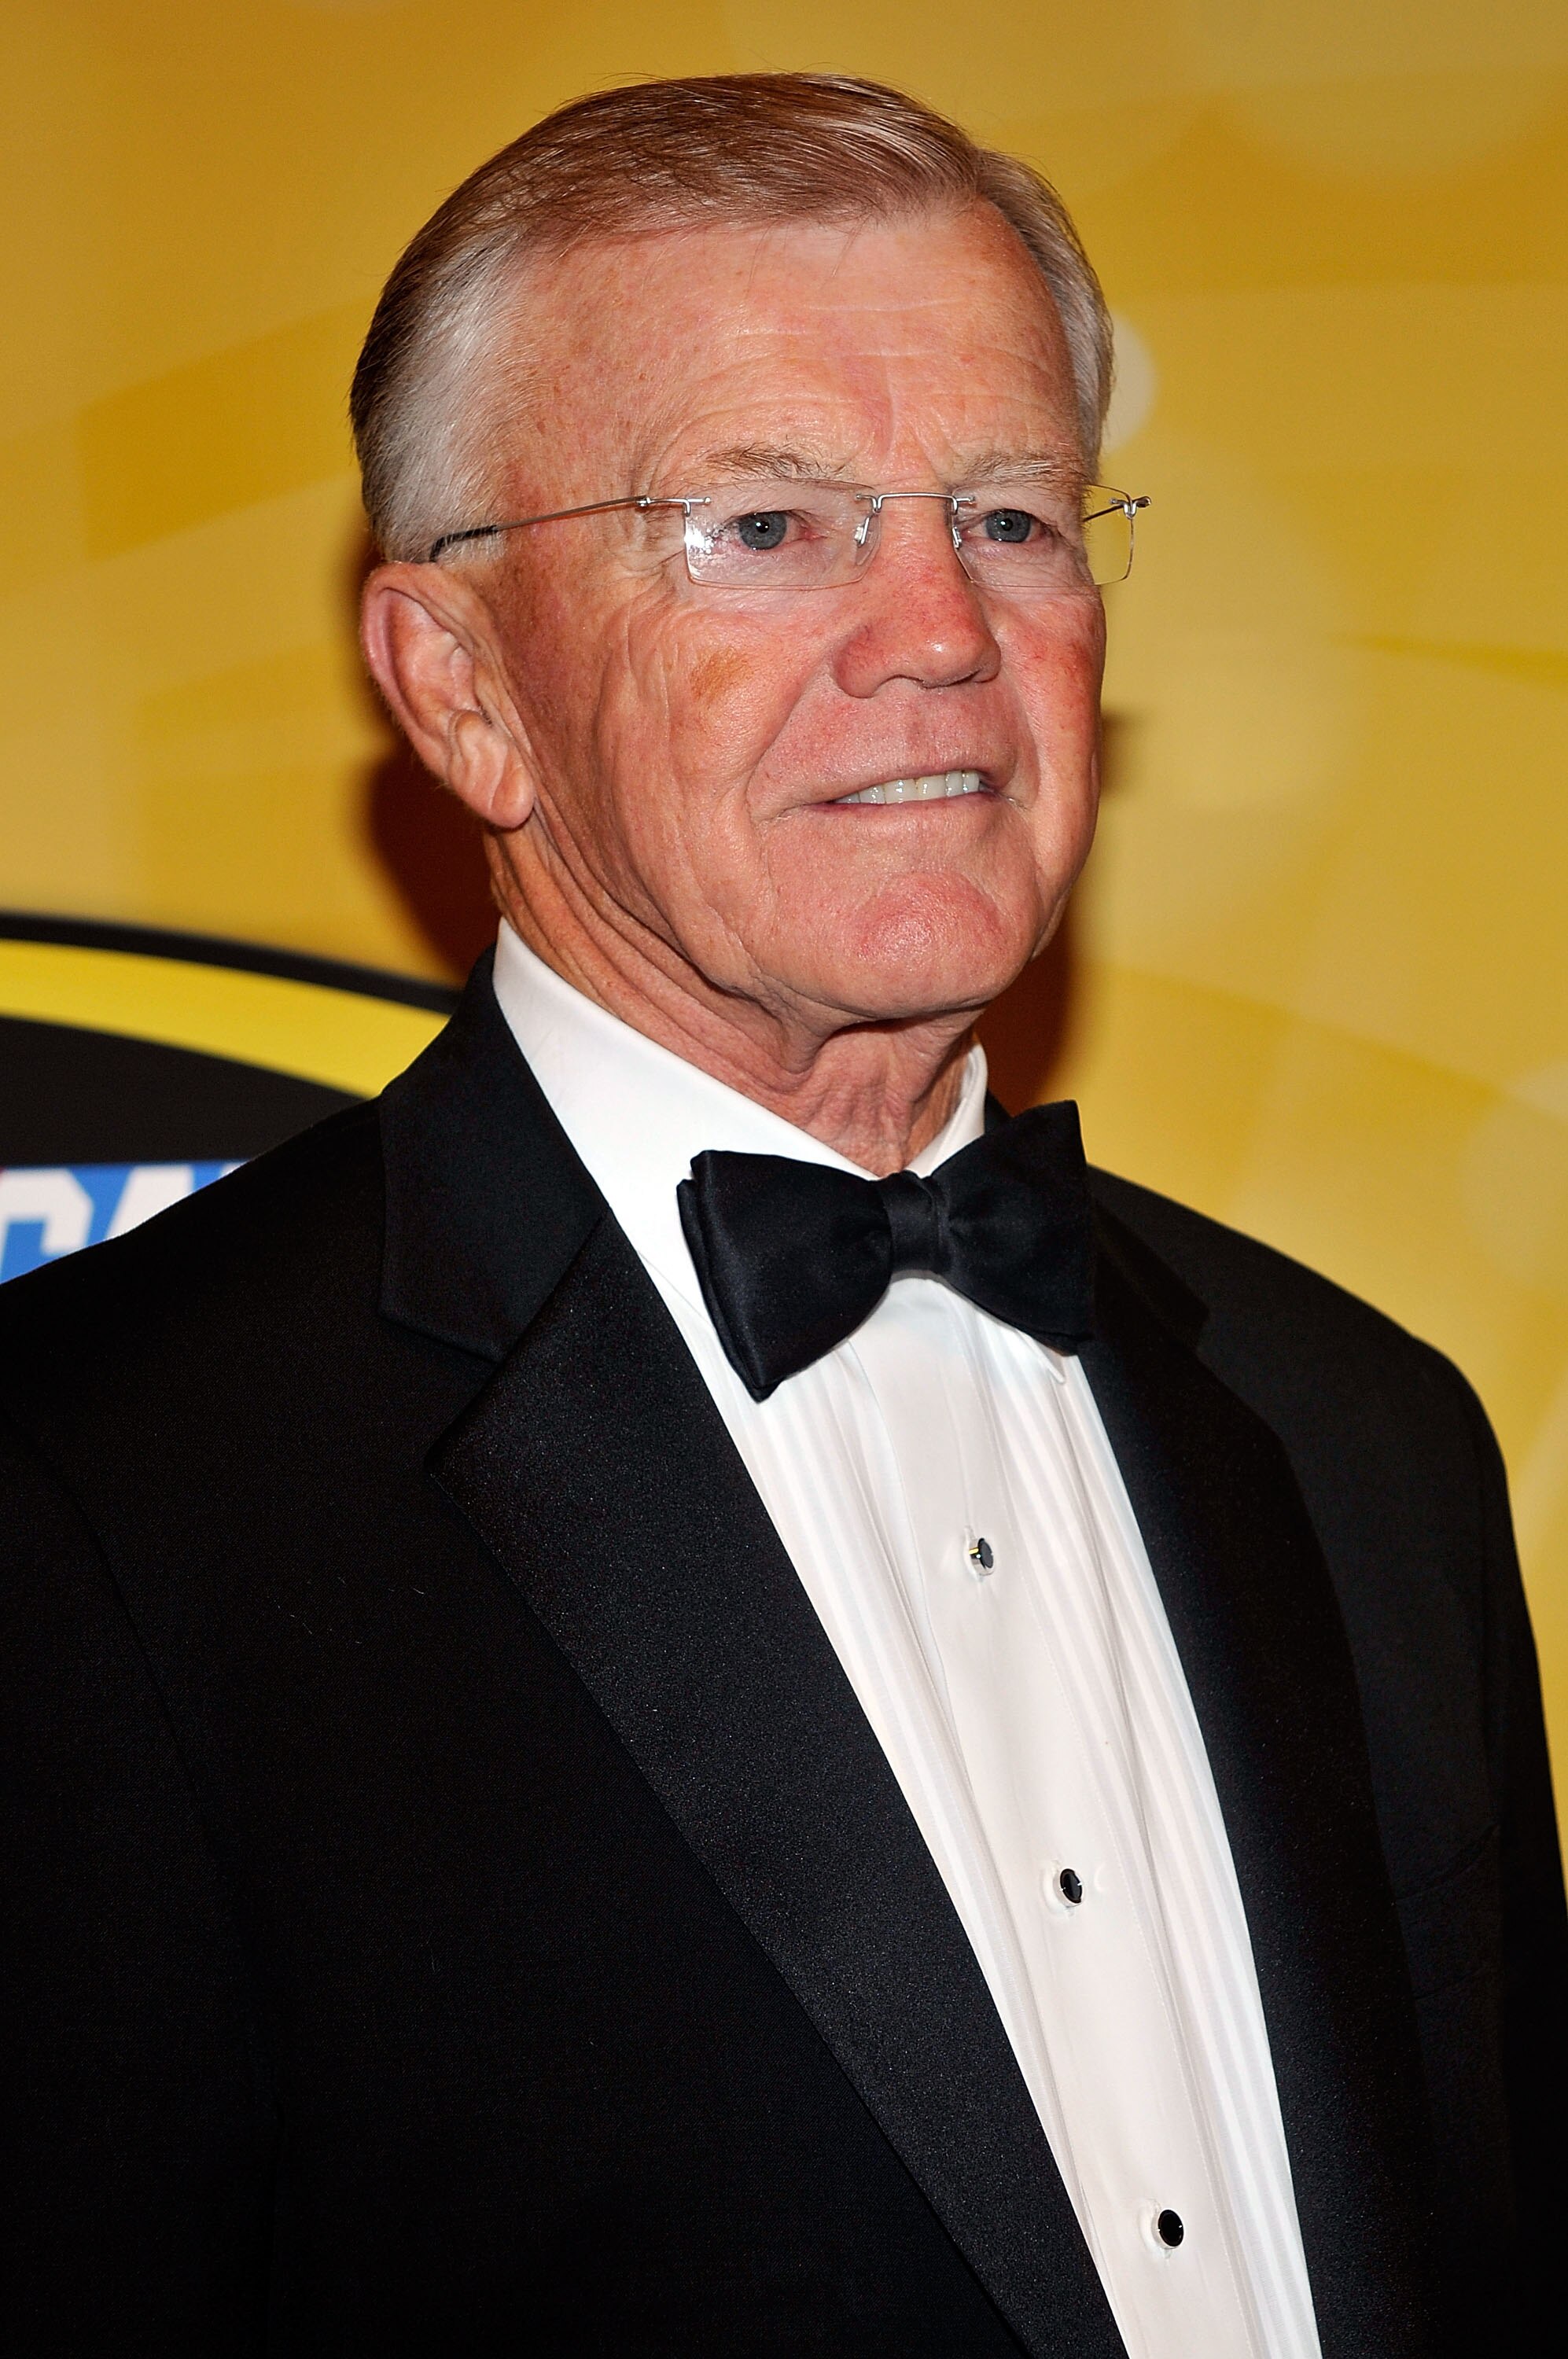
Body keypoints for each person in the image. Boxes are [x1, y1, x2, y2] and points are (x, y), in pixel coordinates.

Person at [2, 73, 1562, 2359]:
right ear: (460, 688)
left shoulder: (1367, 1436)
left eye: (1014, 514)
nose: (939, 628)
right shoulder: (88, 1498)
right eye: (763, 523)